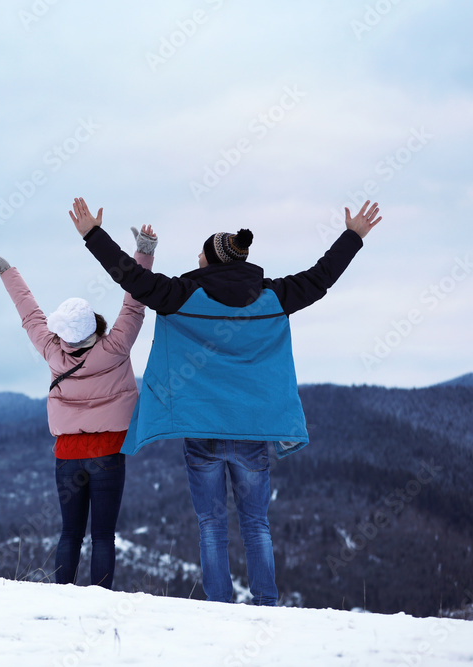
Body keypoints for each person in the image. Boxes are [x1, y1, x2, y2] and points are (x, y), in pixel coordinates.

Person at [69, 196, 382, 605]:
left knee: (211, 526)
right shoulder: (275, 296)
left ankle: (219, 608)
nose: (196, 257)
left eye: (201, 253)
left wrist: (93, 235)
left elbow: (128, 277)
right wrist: (353, 236)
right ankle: (267, 604)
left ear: (212, 261)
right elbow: (321, 277)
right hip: (252, 431)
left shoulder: (180, 295)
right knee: (257, 525)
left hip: (203, 431)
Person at [0, 214, 157, 589]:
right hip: (108, 451)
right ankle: (100, 600)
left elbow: (29, 314)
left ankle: (62, 597)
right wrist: (143, 254)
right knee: (103, 535)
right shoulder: (116, 346)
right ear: (95, 324)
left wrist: (8, 273)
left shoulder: (52, 351)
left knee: (69, 534)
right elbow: (135, 303)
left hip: (67, 455)